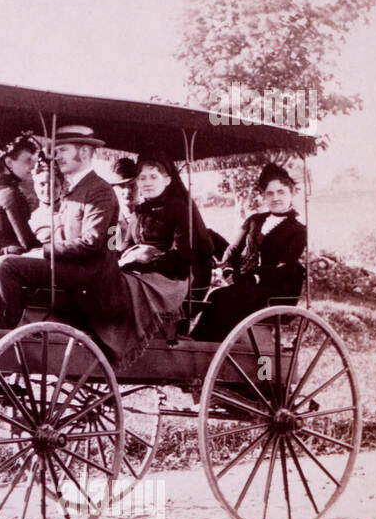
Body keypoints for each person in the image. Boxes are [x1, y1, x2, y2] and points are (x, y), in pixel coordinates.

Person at [0, 126, 125, 330]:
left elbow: (90, 243)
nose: (57, 156)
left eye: (63, 150)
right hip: (70, 267)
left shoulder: (99, 190)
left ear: (85, 152)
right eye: (56, 150)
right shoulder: (74, 190)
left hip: (89, 275)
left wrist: (43, 252)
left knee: (6, 266)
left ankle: (4, 333)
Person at [93, 152, 215, 362]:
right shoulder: (139, 212)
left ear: (167, 180)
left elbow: (183, 255)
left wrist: (144, 263)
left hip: (174, 276)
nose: (147, 183)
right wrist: (116, 261)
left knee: (120, 284)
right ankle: (104, 336)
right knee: (102, 277)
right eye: (142, 178)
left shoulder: (179, 208)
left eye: (153, 177)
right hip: (143, 270)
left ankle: (117, 340)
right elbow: (124, 246)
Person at [190, 163, 307, 342]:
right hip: (248, 284)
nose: (276, 198)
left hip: (275, 289)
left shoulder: (298, 230)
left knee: (222, 297)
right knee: (217, 295)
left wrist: (253, 278)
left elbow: (286, 265)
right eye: (270, 193)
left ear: (291, 193)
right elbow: (233, 250)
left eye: (281, 192)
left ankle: (206, 344)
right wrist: (229, 270)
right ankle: (200, 344)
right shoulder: (255, 220)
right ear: (263, 196)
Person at [0, 157, 62, 327]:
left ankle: (3, 327)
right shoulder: (33, 216)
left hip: (53, 264)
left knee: (3, 266)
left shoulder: (66, 213)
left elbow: (109, 239)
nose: (48, 189)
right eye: (42, 184)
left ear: (61, 185)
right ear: (35, 184)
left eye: (54, 184)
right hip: (30, 262)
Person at [0, 129, 40, 255]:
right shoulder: (10, 194)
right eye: (27, 160)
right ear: (9, 162)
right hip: (13, 260)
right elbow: (27, 243)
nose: (32, 166)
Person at [107, 157, 139, 235]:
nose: (127, 191)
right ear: (112, 188)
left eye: (132, 185)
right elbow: (110, 245)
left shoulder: (149, 213)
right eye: (120, 186)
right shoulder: (109, 218)